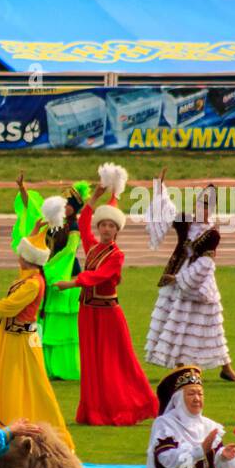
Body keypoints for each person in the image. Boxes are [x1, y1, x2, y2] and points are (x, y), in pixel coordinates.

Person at [54, 172, 158, 427]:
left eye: (112, 226)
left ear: (117, 229)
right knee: (91, 363)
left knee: (115, 363)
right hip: (88, 312)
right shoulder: (93, 247)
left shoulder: (116, 255)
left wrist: (72, 282)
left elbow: (100, 276)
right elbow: (85, 218)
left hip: (108, 314)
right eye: (104, 225)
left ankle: (131, 405)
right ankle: (95, 411)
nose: (107, 229)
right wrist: (96, 197)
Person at [0, 230, 74, 450]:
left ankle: (32, 425)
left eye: (22, 253)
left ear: (28, 258)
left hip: (19, 340)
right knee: (6, 378)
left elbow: (12, 304)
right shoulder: (29, 276)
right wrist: (35, 233)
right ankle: (1, 419)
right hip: (11, 336)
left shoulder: (32, 284)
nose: (18, 256)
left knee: (26, 382)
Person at [144, 173, 235, 381]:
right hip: (177, 273)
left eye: (206, 207)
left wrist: (181, 280)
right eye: (199, 206)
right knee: (179, 320)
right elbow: (167, 211)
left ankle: (226, 367)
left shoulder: (212, 234)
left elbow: (206, 263)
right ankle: (182, 366)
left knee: (212, 324)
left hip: (200, 281)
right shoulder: (185, 222)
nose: (201, 210)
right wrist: (160, 187)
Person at [12, 177, 86, 380]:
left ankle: (63, 368)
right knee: (45, 319)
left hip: (64, 277)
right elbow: (32, 209)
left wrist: (50, 269)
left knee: (61, 323)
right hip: (47, 274)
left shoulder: (73, 228)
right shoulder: (51, 222)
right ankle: (46, 367)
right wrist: (22, 188)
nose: (65, 207)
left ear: (74, 208)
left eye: (69, 205)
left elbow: (69, 253)